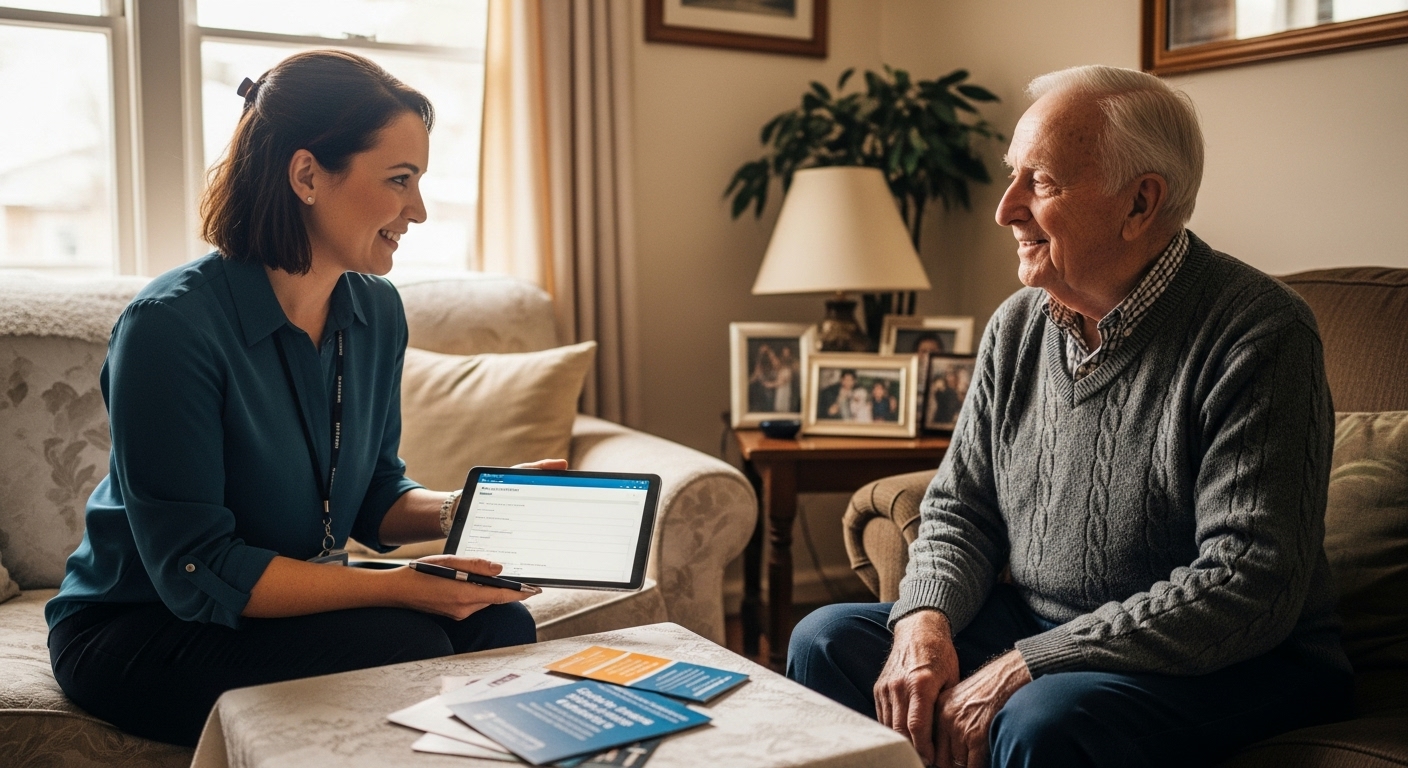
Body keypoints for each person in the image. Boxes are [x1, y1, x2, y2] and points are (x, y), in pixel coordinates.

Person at [787, 65, 1351, 768]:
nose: (1006, 208)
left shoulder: (1259, 333)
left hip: (1240, 658)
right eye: (1011, 174)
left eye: (1042, 182)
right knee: (827, 638)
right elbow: (962, 509)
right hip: (1044, 623)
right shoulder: (1018, 325)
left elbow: (1246, 579)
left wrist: (1028, 662)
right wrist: (923, 622)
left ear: (1140, 204)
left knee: (1043, 720)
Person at [44, 51, 556, 748]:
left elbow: (373, 492)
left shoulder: (377, 313)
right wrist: (404, 584)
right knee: (406, 641)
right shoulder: (169, 328)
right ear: (308, 174)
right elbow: (202, 569)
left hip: (276, 606)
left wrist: (465, 508)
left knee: (500, 622)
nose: (419, 210)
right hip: (142, 626)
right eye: (399, 180)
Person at [773, 345, 798, 413]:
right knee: (779, 402)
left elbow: (792, 373)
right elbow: (777, 366)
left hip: (788, 384)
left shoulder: (792, 361)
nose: (786, 353)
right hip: (781, 384)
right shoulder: (781, 360)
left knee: (786, 402)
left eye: (787, 352)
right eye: (784, 352)